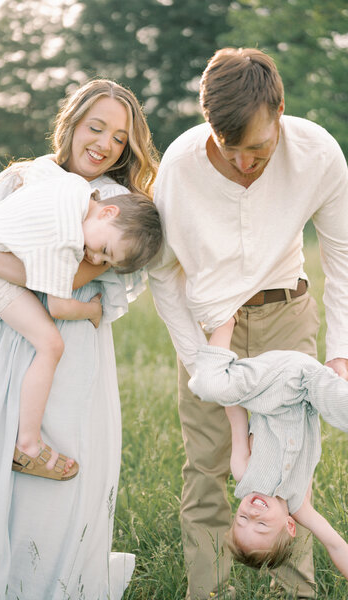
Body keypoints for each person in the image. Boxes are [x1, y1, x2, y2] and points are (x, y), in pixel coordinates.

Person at [148, 47, 348, 600]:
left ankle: (296, 592)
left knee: (287, 474)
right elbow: (163, 275)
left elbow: (342, 256)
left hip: (288, 316)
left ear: (279, 109)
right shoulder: (180, 167)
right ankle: (205, 591)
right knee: (209, 466)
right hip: (214, 331)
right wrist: (200, 363)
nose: (243, 163)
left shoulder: (320, 155)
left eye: (257, 149)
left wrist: (340, 354)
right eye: (228, 149)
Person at [0, 79, 158, 599]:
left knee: (49, 472)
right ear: (72, 124)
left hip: (61, 351)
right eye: (97, 128)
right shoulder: (28, 177)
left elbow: (59, 282)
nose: (106, 144)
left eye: (119, 138)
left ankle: (41, 581)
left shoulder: (112, 205)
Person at [0, 158, 162, 482]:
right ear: (109, 212)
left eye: (107, 261)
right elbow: (58, 306)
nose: (95, 259)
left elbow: (33, 170)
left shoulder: (73, 189)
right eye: (105, 249)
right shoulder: (68, 238)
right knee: (51, 344)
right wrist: (91, 311)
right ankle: (27, 443)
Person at [188, 315, 348, 579]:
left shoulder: (244, 473)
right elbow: (335, 544)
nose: (251, 513)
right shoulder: (299, 505)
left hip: (269, 382)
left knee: (208, 386)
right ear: (289, 526)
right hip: (309, 386)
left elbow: (236, 419)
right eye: (261, 525)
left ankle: (225, 322)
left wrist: (228, 383)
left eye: (242, 519)